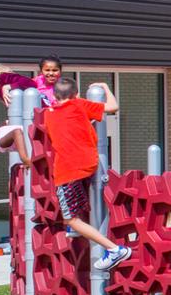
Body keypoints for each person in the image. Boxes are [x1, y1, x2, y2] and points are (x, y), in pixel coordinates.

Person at [38, 77, 131, 271]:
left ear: (55, 96)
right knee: (75, 205)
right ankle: (78, 228)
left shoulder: (49, 114)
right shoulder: (80, 106)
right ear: (76, 94)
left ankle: (114, 249)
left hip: (68, 170)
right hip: (89, 163)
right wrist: (105, 86)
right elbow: (113, 107)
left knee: (69, 218)